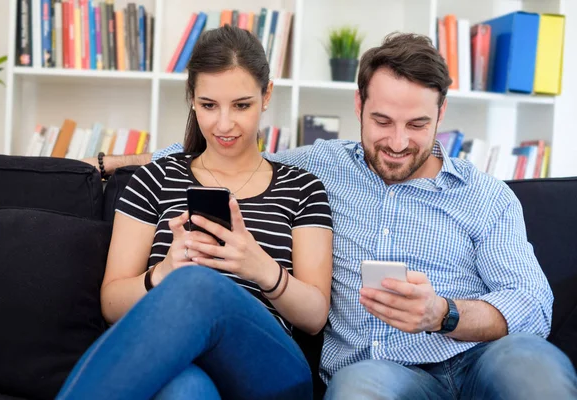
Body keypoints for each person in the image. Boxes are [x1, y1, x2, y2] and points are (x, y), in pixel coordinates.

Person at [90, 32, 577, 399]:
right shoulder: (319, 167)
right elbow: (223, 146)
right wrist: (107, 164)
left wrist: (444, 313)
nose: (398, 141)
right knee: (357, 390)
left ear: (442, 113)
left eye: (418, 124)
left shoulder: (484, 195)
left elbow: (533, 303)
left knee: (532, 369)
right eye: (382, 120)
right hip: (377, 372)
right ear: (358, 104)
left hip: (479, 357)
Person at [59, 25, 333, 400]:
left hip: (270, 373)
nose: (224, 124)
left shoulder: (302, 189)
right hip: (183, 363)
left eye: (241, 105)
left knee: (197, 285)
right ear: (191, 98)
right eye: (209, 105)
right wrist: (164, 272)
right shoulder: (155, 179)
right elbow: (111, 304)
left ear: (266, 95)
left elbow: (316, 316)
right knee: (186, 389)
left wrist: (259, 267)